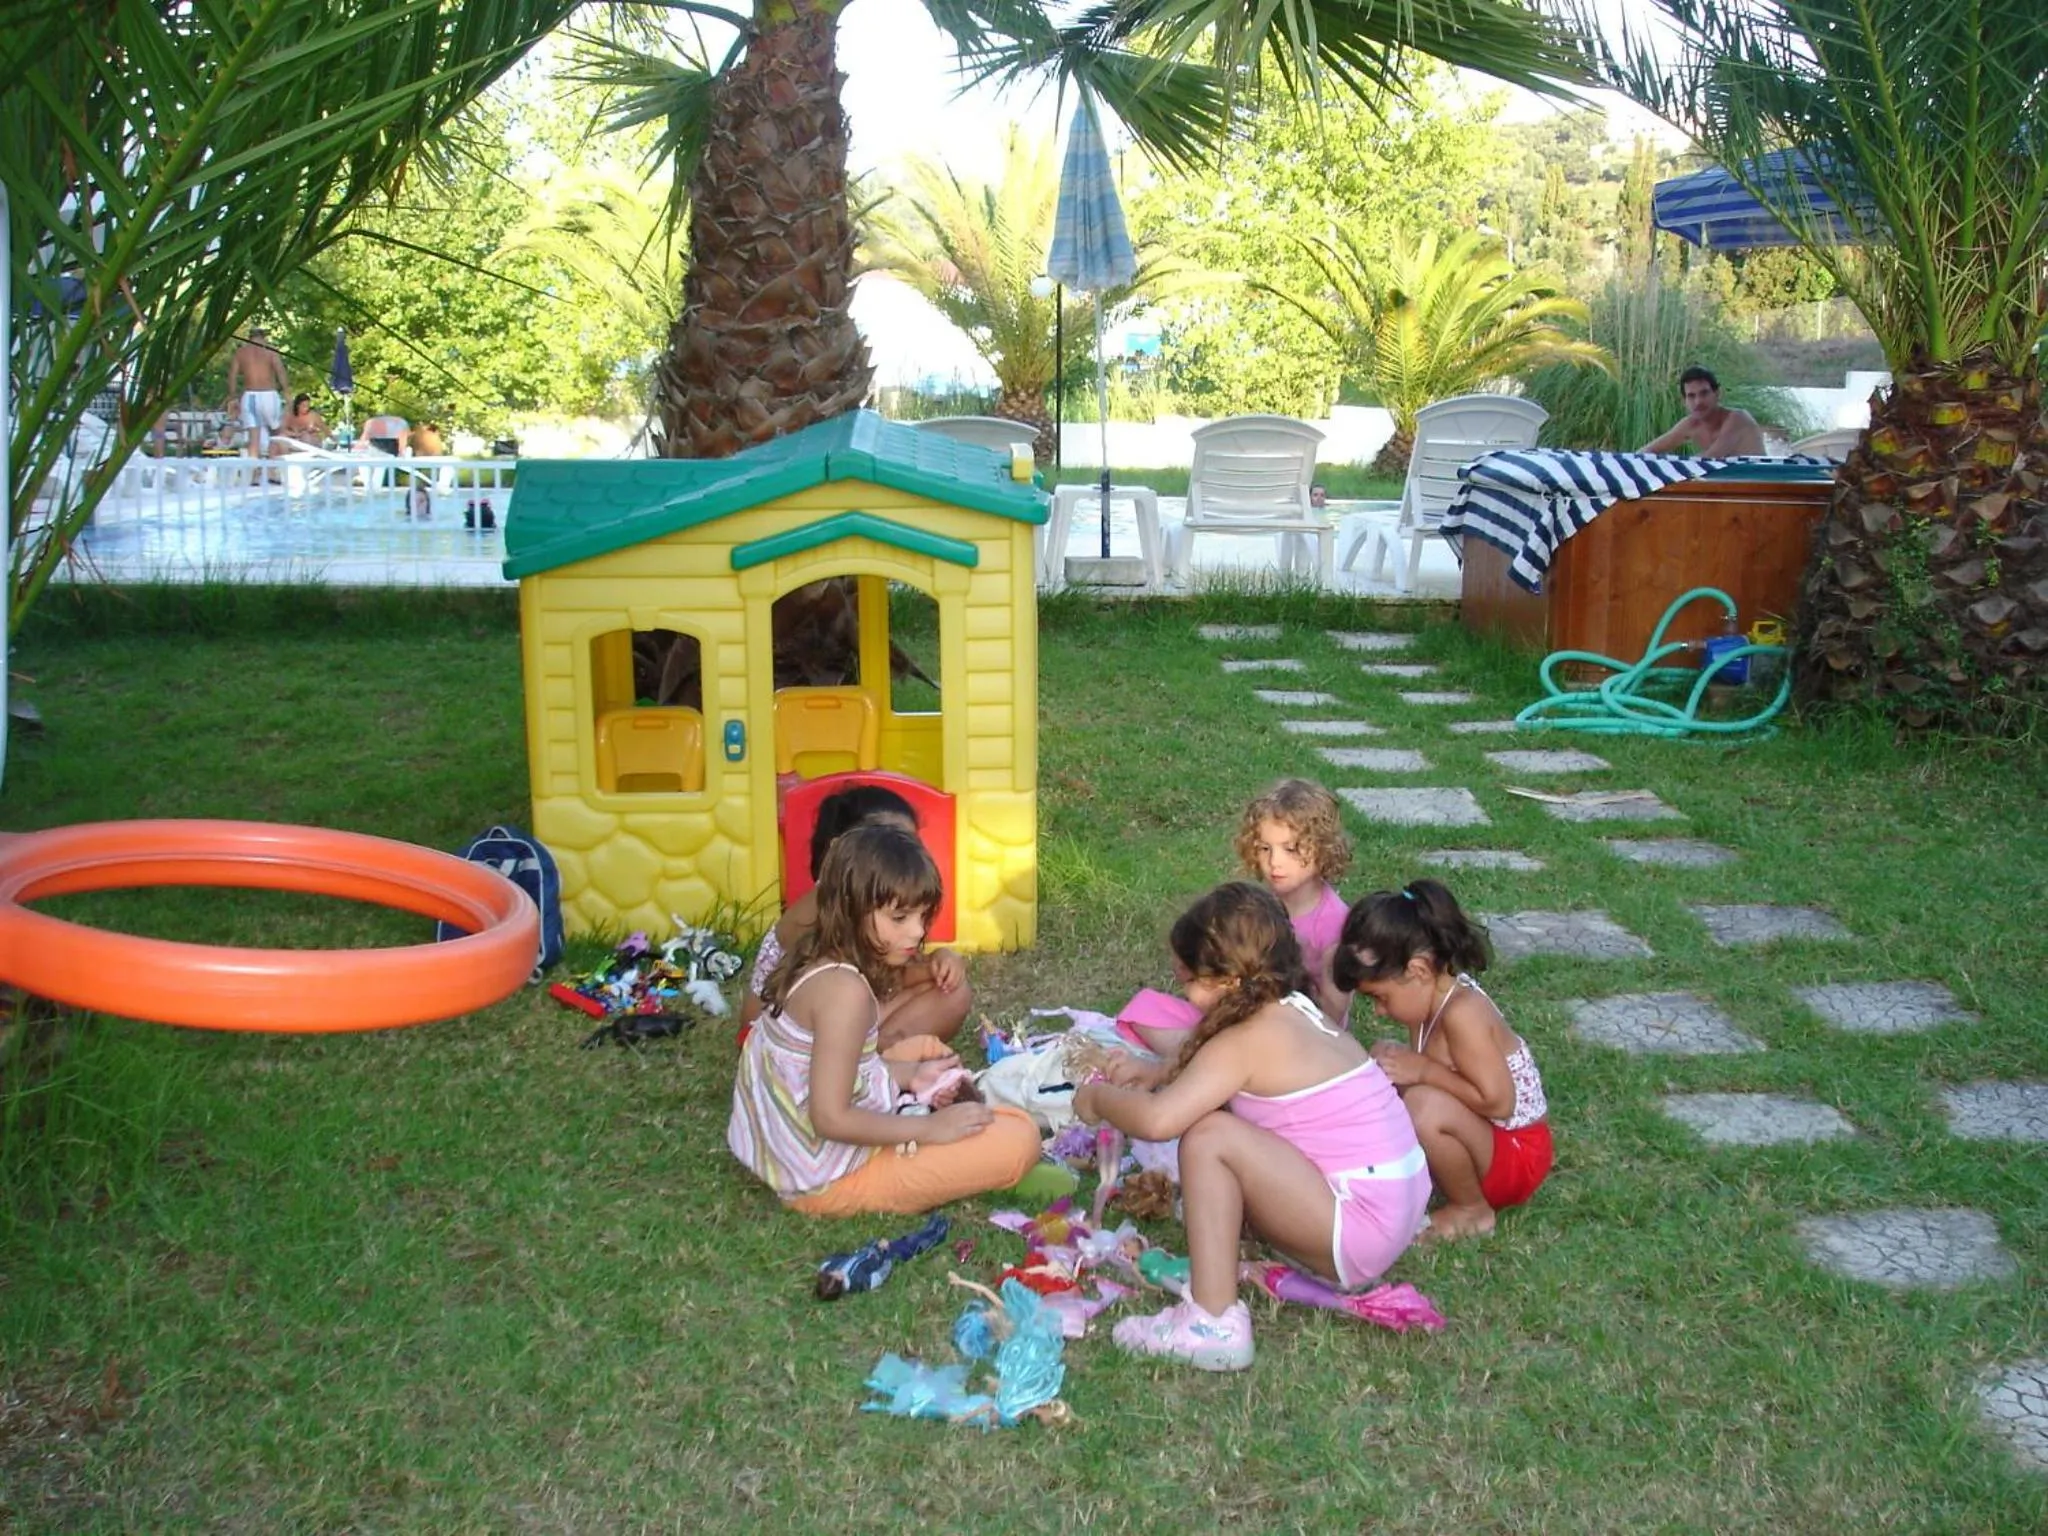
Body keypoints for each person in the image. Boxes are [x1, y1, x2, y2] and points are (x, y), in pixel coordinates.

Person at [1075, 883, 1429, 1371]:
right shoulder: (1295, 1010)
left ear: (1226, 982)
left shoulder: (1242, 1041)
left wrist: (1098, 1098)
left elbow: (1159, 1121)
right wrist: (1159, 1071)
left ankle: (1212, 1323)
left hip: (1357, 1229)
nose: (1184, 992)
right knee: (1219, 1125)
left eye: (1190, 979)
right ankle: (1241, 1252)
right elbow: (1211, 1062)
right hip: (1394, 1208)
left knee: (1207, 1138)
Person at [727, 822, 1041, 1217]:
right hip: (825, 1179)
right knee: (1020, 1139)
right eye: (900, 917)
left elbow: (822, 1067)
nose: (917, 931)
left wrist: (906, 1075)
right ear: (852, 909)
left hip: (791, 1143)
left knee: (927, 1055)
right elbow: (829, 1118)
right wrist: (929, 1130)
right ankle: (943, 1128)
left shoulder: (820, 957)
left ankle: (919, 1094)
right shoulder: (846, 994)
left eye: (923, 916)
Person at [1334, 879, 1551, 1243]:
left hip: (1518, 1154)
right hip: (1488, 1141)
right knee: (1398, 1072)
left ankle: (1472, 1209)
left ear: (1418, 970)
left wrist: (1423, 1071)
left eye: (1381, 997)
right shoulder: (1426, 1004)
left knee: (1424, 1104)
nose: (1380, 1010)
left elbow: (1499, 1100)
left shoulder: (1463, 1012)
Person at [1116, 779, 1353, 1057]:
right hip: (1234, 1014)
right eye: (1265, 848)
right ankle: (1203, 1059)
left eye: (1291, 849)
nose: (1274, 861)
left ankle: (1200, 1062)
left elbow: (1333, 1019)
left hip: (1292, 1040)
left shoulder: (1335, 924)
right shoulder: (1258, 904)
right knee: (1145, 1007)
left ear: (1323, 848)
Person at [738, 784, 971, 1049]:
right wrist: (927, 970)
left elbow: (891, 975)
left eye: (908, 844)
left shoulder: (875, 904)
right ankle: (875, 1062)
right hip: (788, 1039)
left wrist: (940, 962)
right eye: (888, 846)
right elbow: (869, 986)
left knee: (951, 991)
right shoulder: (825, 912)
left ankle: (882, 1058)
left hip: (842, 1019)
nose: (902, 856)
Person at [1640, 365, 1766, 457]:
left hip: (1762, 486)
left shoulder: (1738, 418)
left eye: (1704, 393)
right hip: (1726, 486)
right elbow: (1644, 453)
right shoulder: (1691, 424)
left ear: (1717, 394)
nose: (1698, 401)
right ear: (1684, 401)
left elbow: (1712, 458)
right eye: (1691, 396)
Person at [224, 325, 289, 457]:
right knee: (276, 433)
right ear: (263, 337)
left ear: (250, 337)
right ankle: (271, 469)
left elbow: (232, 376)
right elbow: (280, 372)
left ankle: (254, 472)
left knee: (254, 438)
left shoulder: (241, 353)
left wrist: (233, 397)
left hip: (250, 397)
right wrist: (287, 392)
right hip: (269, 395)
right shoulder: (271, 351)